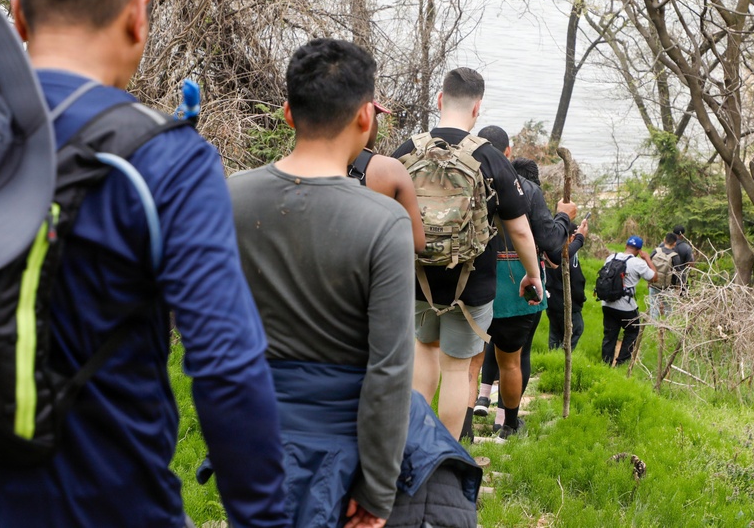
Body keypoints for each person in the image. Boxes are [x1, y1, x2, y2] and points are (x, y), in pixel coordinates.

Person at [0, 0, 288, 527]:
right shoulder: (168, 161)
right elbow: (226, 365)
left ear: (18, 11)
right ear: (138, 16)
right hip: (112, 506)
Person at [228, 39, 415, 528]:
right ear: (365, 117)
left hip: (248, 439)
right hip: (340, 453)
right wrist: (377, 490)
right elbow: (390, 369)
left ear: (288, 113)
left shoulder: (229, 197)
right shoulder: (383, 222)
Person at [392, 69, 543, 440]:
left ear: (440, 100)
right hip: (471, 283)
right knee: (457, 369)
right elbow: (521, 229)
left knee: (424, 352)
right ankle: (444, 459)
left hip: (417, 277)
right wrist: (532, 274)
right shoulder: (491, 159)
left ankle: (412, 444)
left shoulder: (406, 151)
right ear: (477, 108)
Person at [470, 144, 575, 441]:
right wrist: (564, 217)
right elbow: (552, 242)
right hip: (518, 283)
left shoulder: (468, 178)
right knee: (516, 357)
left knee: (471, 360)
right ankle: (506, 425)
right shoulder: (526, 189)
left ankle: (465, 424)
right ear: (506, 150)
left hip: (475, 281)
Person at [349, 102, 425, 251]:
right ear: (364, 120)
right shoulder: (391, 169)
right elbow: (418, 244)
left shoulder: (304, 165)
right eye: (375, 118)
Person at [600, 235, 656, 367]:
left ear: (626, 246)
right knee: (632, 332)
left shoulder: (611, 258)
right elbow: (654, 278)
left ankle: (605, 364)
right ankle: (621, 364)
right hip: (626, 306)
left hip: (607, 303)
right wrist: (647, 258)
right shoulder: (638, 263)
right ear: (639, 250)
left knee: (610, 334)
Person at [546, 218, 589, 351]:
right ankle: (560, 361)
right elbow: (577, 283)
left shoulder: (549, 253)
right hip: (567, 305)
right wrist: (580, 302)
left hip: (551, 303)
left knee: (555, 334)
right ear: (571, 237)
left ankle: (551, 359)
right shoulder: (568, 257)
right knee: (575, 330)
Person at [647, 232, 683, 320]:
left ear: (664, 240)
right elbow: (678, 273)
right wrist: (678, 286)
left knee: (653, 306)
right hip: (668, 286)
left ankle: (653, 325)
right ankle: (668, 324)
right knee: (668, 307)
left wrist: (649, 281)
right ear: (674, 243)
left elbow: (648, 265)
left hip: (654, 283)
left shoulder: (656, 251)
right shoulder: (675, 256)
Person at [673, 224, 696, 292]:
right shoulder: (686, 247)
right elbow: (691, 265)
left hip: (665, 277)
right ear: (682, 235)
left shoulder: (664, 244)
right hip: (680, 278)